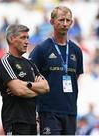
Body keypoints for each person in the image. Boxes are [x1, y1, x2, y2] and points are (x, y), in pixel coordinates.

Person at [29, 6, 84, 135]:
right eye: (61, 20)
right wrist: (34, 108)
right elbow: (30, 78)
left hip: (70, 110)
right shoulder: (42, 49)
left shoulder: (76, 50)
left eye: (68, 20)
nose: (65, 24)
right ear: (52, 22)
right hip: (48, 111)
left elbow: (76, 76)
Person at [0, 24, 50, 135]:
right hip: (15, 121)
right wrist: (36, 90)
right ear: (11, 39)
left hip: (32, 121)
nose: (27, 41)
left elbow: (46, 87)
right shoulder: (6, 61)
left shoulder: (30, 63)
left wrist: (27, 85)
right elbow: (18, 90)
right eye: (23, 37)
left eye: (27, 38)